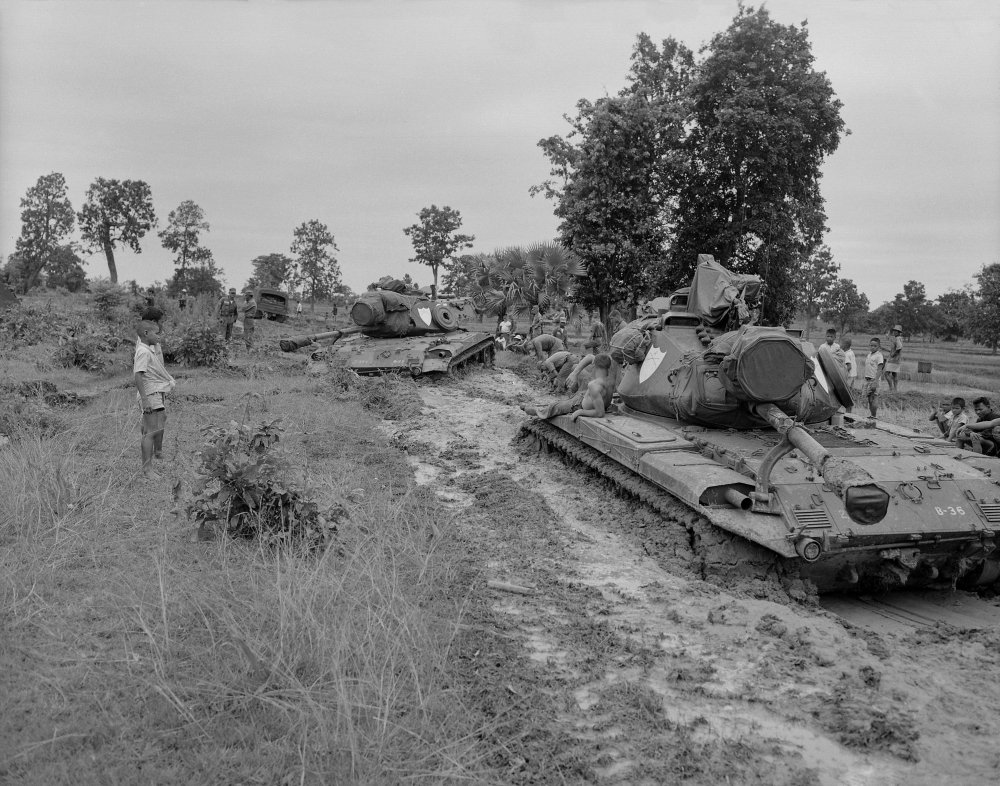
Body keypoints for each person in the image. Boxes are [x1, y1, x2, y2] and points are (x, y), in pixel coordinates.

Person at [133, 320, 176, 476]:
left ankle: (151, 463)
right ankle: (147, 469)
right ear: (146, 333)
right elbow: (138, 374)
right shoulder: (143, 352)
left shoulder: (147, 350)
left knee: (153, 428)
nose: (159, 336)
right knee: (151, 432)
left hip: (154, 393)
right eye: (156, 333)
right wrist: (144, 399)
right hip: (150, 394)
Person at [521, 353, 615, 421]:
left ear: (594, 364)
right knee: (575, 368)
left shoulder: (593, 386)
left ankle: (536, 412)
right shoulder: (611, 380)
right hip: (587, 398)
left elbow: (600, 413)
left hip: (578, 405)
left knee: (555, 407)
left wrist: (580, 412)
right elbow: (590, 357)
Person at [861, 337, 885, 419]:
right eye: (871, 345)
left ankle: (874, 416)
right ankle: (872, 415)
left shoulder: (879, 356)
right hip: (867, 379)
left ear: (879, 346)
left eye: (875, 346)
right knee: (869, 399)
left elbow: (879, 369)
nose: (872, 347)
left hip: (874, 380)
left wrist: (876, 381)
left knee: (874, 397)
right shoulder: (869, 355)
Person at [884, 324, 903, 392]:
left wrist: (893, 354)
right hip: (897, 360)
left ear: (899, 332)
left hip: (894, 360)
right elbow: (895, 348)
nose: (894, 332)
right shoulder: (898, 338)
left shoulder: (897, 338)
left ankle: (891, 388)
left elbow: (899, 348)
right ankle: (895, 389)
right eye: (894, 331)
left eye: (896, 331)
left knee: (886, 374)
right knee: (894, 374)